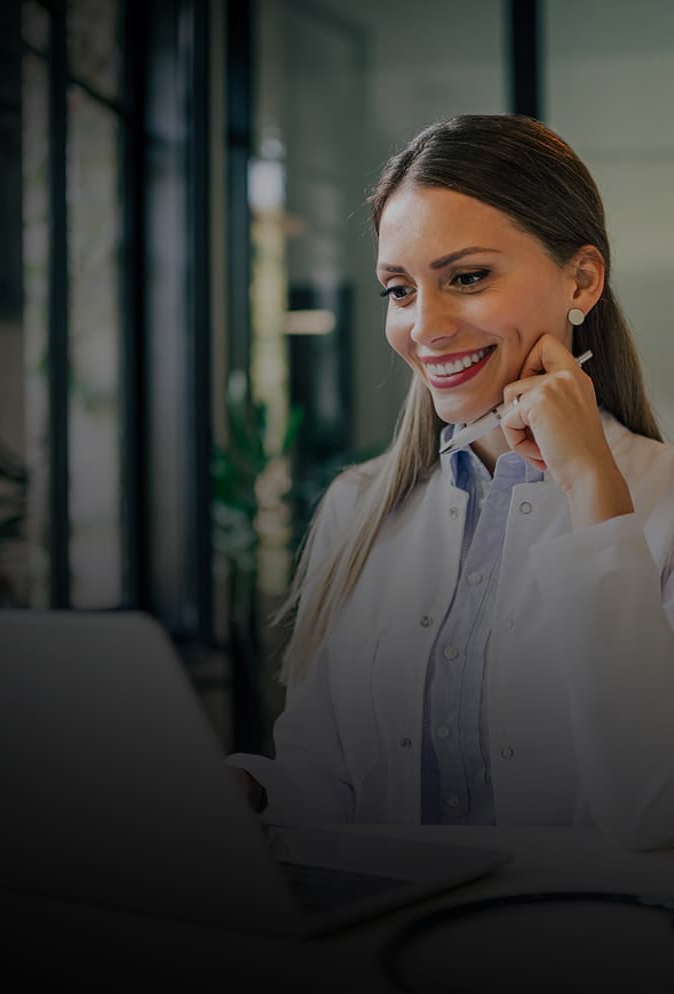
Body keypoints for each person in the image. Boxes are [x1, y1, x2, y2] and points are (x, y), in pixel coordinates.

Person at [228, 114, 674, 850]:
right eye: (398, 290)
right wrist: (255, 790)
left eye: (466, 278)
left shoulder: (657, 501)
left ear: (582, 279)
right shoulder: (358, 508)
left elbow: (655, 814)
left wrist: (595, 490)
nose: (424, 327)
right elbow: (328, 784)